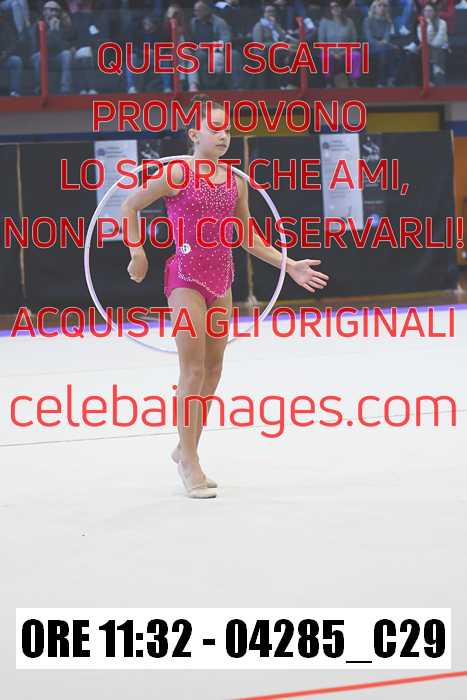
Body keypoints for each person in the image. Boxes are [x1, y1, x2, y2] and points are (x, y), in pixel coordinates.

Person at [120, 94, 330, 498]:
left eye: (228, 129)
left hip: (222, 279)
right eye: (215, 128)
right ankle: (190, 462)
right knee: (192, 370)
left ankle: (185, 449)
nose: (223, 135)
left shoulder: (236, 182)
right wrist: (137, 251)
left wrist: (289, 265)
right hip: (185, 277)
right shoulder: (177, 174)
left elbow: (248, 237)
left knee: (213, 370)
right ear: (194, 134)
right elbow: (129, 206)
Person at [30, 0, 75, 94]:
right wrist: (51, 30)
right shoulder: (38, 25)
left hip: (57, 55)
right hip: (42, 54)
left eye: (56, 10)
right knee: (38, 57)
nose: (53, 13)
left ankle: (65, 88)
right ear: (44, 12)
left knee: (66, 54)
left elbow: (64, 46)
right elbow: (41, 46)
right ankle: (39, 87)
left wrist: (56, 30)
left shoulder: (62, 25)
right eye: (50, 10)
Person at [318, 0, 360, 87]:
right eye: (332, 7)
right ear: (330, 9)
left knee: (356, 55)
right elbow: (321, 42)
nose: (335, 9)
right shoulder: (324, 22)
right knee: (325, 56)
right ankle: (328, 82)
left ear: (341, 8)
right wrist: (332, 53)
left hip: (346, 51)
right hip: (330, 51)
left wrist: (344, 52)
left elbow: (354, 41)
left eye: (337, 6)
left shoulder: (349, 22)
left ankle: (353, 81)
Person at [363, 0, 400, 86]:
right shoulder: (367, 20)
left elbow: (387, 37)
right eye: (379, 6)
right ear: (374, 8)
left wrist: (385, 43)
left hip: (384, 45)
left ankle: (392, 78)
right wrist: (380, 43)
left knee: (394, 50)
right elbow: (369, 38)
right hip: (370, 46)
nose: (382, 8)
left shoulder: (387, 21)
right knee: (384, 51)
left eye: (384, 6)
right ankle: (382, 81)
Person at [417, 1, 448, 84]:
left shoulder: (442, 23)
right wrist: (429, 24)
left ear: (434, 12)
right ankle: (433, 74)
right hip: (426, 48)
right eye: (425, 11)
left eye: (430, 11)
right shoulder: (421, 24)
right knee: (422, 52)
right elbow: (422, 39)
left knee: (437, 51)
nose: (427, 13)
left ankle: (436, 77)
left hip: (439, 48)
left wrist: (430, 24)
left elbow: (438, 42)